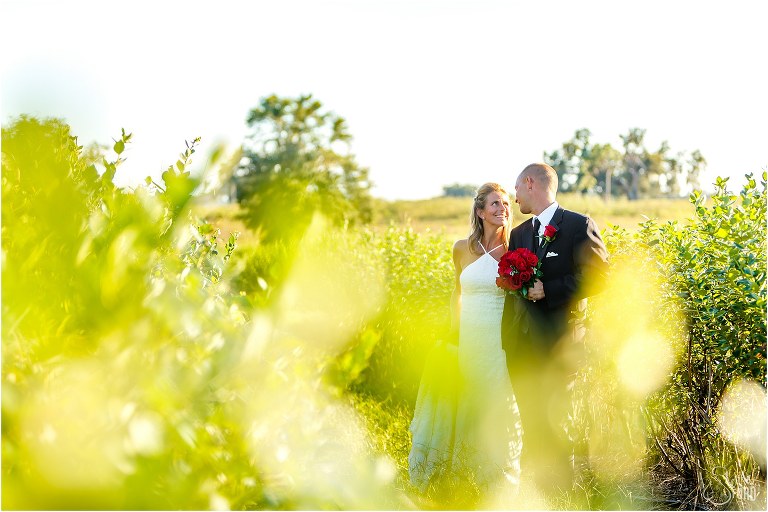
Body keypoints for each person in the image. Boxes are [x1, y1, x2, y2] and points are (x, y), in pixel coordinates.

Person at [501, 163, 609, 497]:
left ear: (530, 183)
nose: (514, 195)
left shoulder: (578, 225)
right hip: (522, 343)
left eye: (517, 188)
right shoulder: (519, 234)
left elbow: (601, 276)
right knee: (531, 415)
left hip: (561, 342)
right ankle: (536, 491)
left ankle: (564, 492)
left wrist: (550, 289)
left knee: (556, 414)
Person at [409, 183, 523, 492]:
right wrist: (452, 331)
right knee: (458, 401)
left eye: (506, 204)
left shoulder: (517, 250)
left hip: (497, 343)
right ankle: (453, 472)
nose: (503, 209)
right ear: (480, 211)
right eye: (495, 204)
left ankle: (495, 479)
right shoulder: (461, 248)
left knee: (494, 403)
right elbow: (457, 293)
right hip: (466, 339)